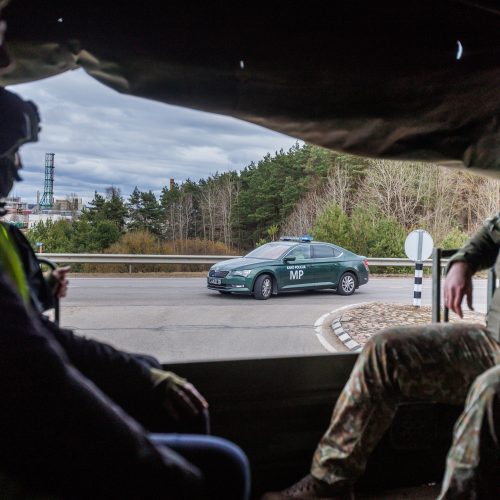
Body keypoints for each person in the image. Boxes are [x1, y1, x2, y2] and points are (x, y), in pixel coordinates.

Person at [0, 85, 250, 499]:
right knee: (226, 467)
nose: (19, 167)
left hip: (26, 415)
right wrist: (160, 466)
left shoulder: (9, 238)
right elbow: (40, 362)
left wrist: (43, 292)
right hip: (21, 431)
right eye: (12, 153)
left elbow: (23, 324)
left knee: (155, 372)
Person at [263, 212, 500, 499]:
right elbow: (493, 231)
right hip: (494, 341)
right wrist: (464, 261)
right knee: (386, 350)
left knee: (491, 391)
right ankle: (330, 481)